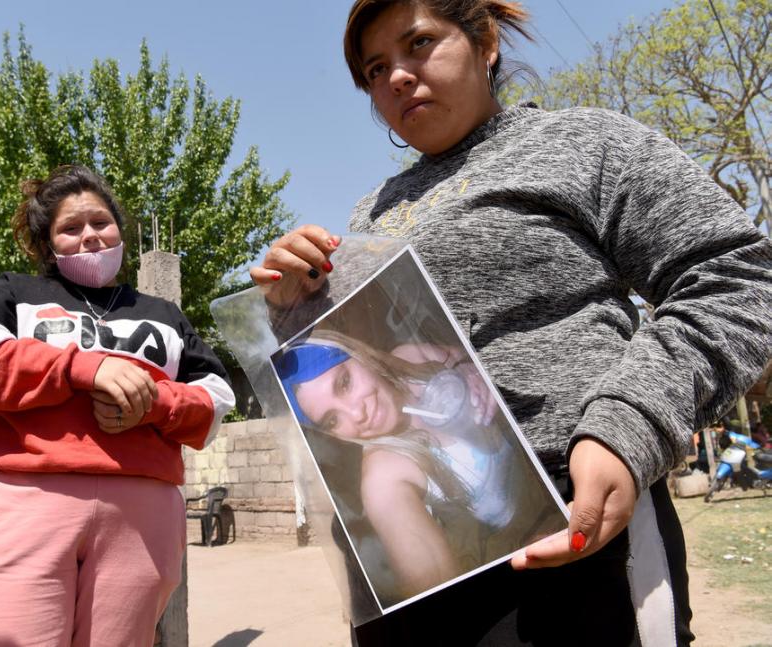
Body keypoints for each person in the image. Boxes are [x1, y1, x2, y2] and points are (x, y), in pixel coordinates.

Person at [250, 1, 772, 644]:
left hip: (575, 524)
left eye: (419, 44)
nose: (398, 77)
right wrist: (292, 308)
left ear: (485, 41)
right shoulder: (369, 218)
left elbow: (738, 278)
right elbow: (346, 369)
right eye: (376, 68)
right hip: (413, 579)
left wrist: (628, 423)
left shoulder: (585, 143)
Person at [0, 165, 235, 646]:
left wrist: (153, 400)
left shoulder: (163, 314)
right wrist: (84, 368)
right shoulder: (15, 292)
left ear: (120, 227)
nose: (90, 236)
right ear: (47, 244)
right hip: (25, 502)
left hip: (142, 517)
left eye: (100, 222)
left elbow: (218, 400)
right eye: (70, 228)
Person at [275, 329, 565, 604]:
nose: (356, 413)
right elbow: (438, 592)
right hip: (532, 560)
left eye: (344, 382)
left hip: (558, 483)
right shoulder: (383, 476)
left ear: (359, 356)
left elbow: (482, 358)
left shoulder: (411, 360)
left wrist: (469, 368)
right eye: (332, 420)